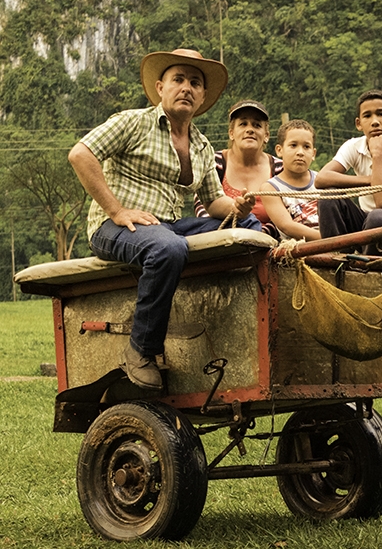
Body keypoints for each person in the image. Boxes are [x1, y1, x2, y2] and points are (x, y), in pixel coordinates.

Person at [68, 48, 262, 391]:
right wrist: (117, 210)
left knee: (249, 228)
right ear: (161, 87)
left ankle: (237, 326)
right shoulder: (133, 122)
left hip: (168, 225)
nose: (186, 87)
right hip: (115, 227)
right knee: (168, 249)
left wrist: (238, 208)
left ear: (202, 96)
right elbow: (81, 154)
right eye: (178, 79)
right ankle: (141, 351)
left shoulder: (201, 145)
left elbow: (213, 201)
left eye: (195, 82)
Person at [315, 89, 382, 250]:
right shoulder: (354, 146)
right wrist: (369, 179)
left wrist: (378, 154)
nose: (375, 121)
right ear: (359, 124)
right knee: (328, 197)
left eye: (381, 114)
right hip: (364, 222)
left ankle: (369, 267)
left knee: (377, 217)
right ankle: (338, 259)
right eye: (367, 116)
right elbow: (321, 179)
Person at [193, 99, 283, 233]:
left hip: (270, 244)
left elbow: (290, 213)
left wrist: (260, 234)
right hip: (221, 241)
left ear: (266, 136)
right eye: (243, 124)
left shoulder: (279, 168)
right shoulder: (214, 162)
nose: (250, 130)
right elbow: (202, 208)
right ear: (231, 133)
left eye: (257, 125)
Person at [261, 120, 321, 241]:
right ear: (279, 150)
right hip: (298, 250)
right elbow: (286, 226)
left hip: (335, 244)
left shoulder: (322, 180)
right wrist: (330, 239)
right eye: (293, 145)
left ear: (313, 154)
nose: (300, 152)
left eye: (306, 147)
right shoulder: (271, 188)